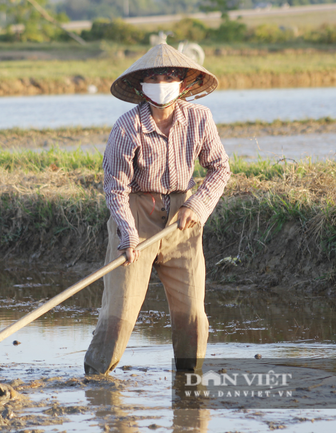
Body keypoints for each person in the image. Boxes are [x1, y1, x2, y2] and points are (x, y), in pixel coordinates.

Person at [84, 43, 231, 375]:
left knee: (192, 314)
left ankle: (189, 382)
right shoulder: (127, 127)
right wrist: (128, 233)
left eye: (169, 75)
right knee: (119, 315)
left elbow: (219, 168)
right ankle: (96, 379)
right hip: (136, 214)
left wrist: (198, 204)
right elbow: (115, 188)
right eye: (154, 76)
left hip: (183, 220)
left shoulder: (199, 118)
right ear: (141, 86)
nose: (162, 82)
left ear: (182, 83)